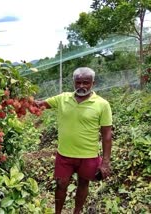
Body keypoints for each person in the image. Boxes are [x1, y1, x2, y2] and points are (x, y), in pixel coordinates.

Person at [35, 67, 112, 214]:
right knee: (60, 184)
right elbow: (40, 105)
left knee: (83, 184)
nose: (82, 86)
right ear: (73, 82)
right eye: (78, 82)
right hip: (64, 154)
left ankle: (77, 211)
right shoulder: (63, 98)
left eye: (86, 82)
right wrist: (21, 100)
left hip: (88, 155)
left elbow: (107, 135)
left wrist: (106, 162)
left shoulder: (102, 104)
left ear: (93, 83)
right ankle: (57, 212)